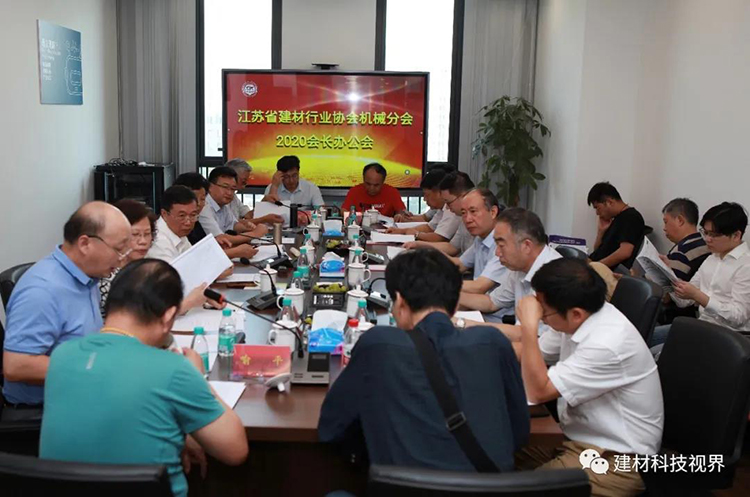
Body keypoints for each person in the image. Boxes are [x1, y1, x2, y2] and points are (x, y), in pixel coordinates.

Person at [40, 259, 248, 497]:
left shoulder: (62, 356)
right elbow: (235, 451)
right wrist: (196, 376)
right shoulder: (174, 369)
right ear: (168, 316)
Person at [318, 248, 529, 471]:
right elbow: (518, 434)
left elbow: (331, 429)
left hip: (401, 486)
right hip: (489, 484)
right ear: (455, 304)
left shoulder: (379, 345)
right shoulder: (493, 343)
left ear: (399, 302)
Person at [515, 258, 663, 496]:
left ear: (575, 314)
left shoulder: (606, 343)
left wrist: (529, 326)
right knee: (495, 448)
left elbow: (538, 391)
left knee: (515, 489)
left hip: (615, 461)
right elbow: (532, 352)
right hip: (575, 439)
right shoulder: (580, 314)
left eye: (544, 311)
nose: (541, 316)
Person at [2, 202, 131, 420]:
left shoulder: (87, 275)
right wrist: (94, 366)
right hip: (49, 412)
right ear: (85, 244)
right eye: (118, 250)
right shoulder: (43, 290)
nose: (122, 260)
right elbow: (16, 365)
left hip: (82, 392)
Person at [651, 202, 750, 347]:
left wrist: (698, 296)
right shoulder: (712, 258)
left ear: (736, 235)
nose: (707, 239)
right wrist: (666, 273)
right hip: (702, 326)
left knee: (657, 353)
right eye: (705, 232)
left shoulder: (745, 266)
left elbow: (738, 317)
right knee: (645, 337)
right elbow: (684, 302)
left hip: (728, 337)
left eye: (714, 235)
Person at [457, 208, 562, 340]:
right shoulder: (520, 267)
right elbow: (491, 302)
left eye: (501, 245)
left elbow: (527, 334)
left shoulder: (553, 277)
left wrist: (461, 323)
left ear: (526, 246)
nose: (497, 253)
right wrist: (449, 295)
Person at [149, 185, 251, 262]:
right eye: (182, 216)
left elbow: (193, 260)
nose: (188, 222)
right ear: (164, 214)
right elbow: (174, 276)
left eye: (193, 215)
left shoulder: (178, 232)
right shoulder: (157, 239)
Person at [99, 199, 157, 315]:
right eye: (135, 234)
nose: (143, 241)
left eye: (147, 234)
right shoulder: (106, 275)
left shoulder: (146, 266)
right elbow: (138, 317)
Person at [403, 172, 475, 255]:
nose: (447, 207)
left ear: (464, 196)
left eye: (449, 202)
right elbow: (452, 247)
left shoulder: (478, 220)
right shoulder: (463, 218)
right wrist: (418, 245)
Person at [453, 188, 507, 294]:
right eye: (463, 213)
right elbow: (460, 264)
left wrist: (436, 284)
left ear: (493, 212)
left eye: (473, 211)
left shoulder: (503, 243)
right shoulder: (481, 237)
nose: (468, 219)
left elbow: (479, 286)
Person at [386, 168, 460, 242]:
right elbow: (429, 227)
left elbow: (439, 238)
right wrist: (401, 231)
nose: (424, 199)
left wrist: (416, 234)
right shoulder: (441, 209)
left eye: (427, 195)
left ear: (439, 192)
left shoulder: (451, 210)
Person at [198, 166, 268, 246]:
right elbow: (222, 239)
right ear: (210, 187)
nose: (229, 193)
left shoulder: (223, 205)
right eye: (225, 187)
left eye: (233, 189)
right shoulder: (204, 207)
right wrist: (255, 234)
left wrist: (247, 228)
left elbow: (234, 225)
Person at [588, 182, 645, 269]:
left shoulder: (631, 217)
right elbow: (597, 250)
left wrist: (596, 266)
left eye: (597, 208)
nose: (597, 213)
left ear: (609, 202)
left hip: (606, 271)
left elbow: (625, 252)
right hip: (595, 265)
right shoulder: (616, 219)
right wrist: (601, 232)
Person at [660, 198, 710, 281]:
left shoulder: (681, 252)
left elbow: (671, 285)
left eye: (666, 222)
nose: (664, 228)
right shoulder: (706, 244)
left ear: (680, 220)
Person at [225, 158, 284, 225]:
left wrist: (264, 200)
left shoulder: (234, 197)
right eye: (243, 181)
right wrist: (264, 219)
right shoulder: (222, 197)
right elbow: (233, 223)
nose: (245, 185)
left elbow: (249, 215)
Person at [341, 163, 407, 217]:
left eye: (376, 185)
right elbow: (343, 211)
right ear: (363, 179)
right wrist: (361, 215)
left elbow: (403, 212)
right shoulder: (354, 191)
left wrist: (400, 215)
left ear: (383, 182)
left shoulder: (392, 192)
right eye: (368, 184)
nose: (371, 188)